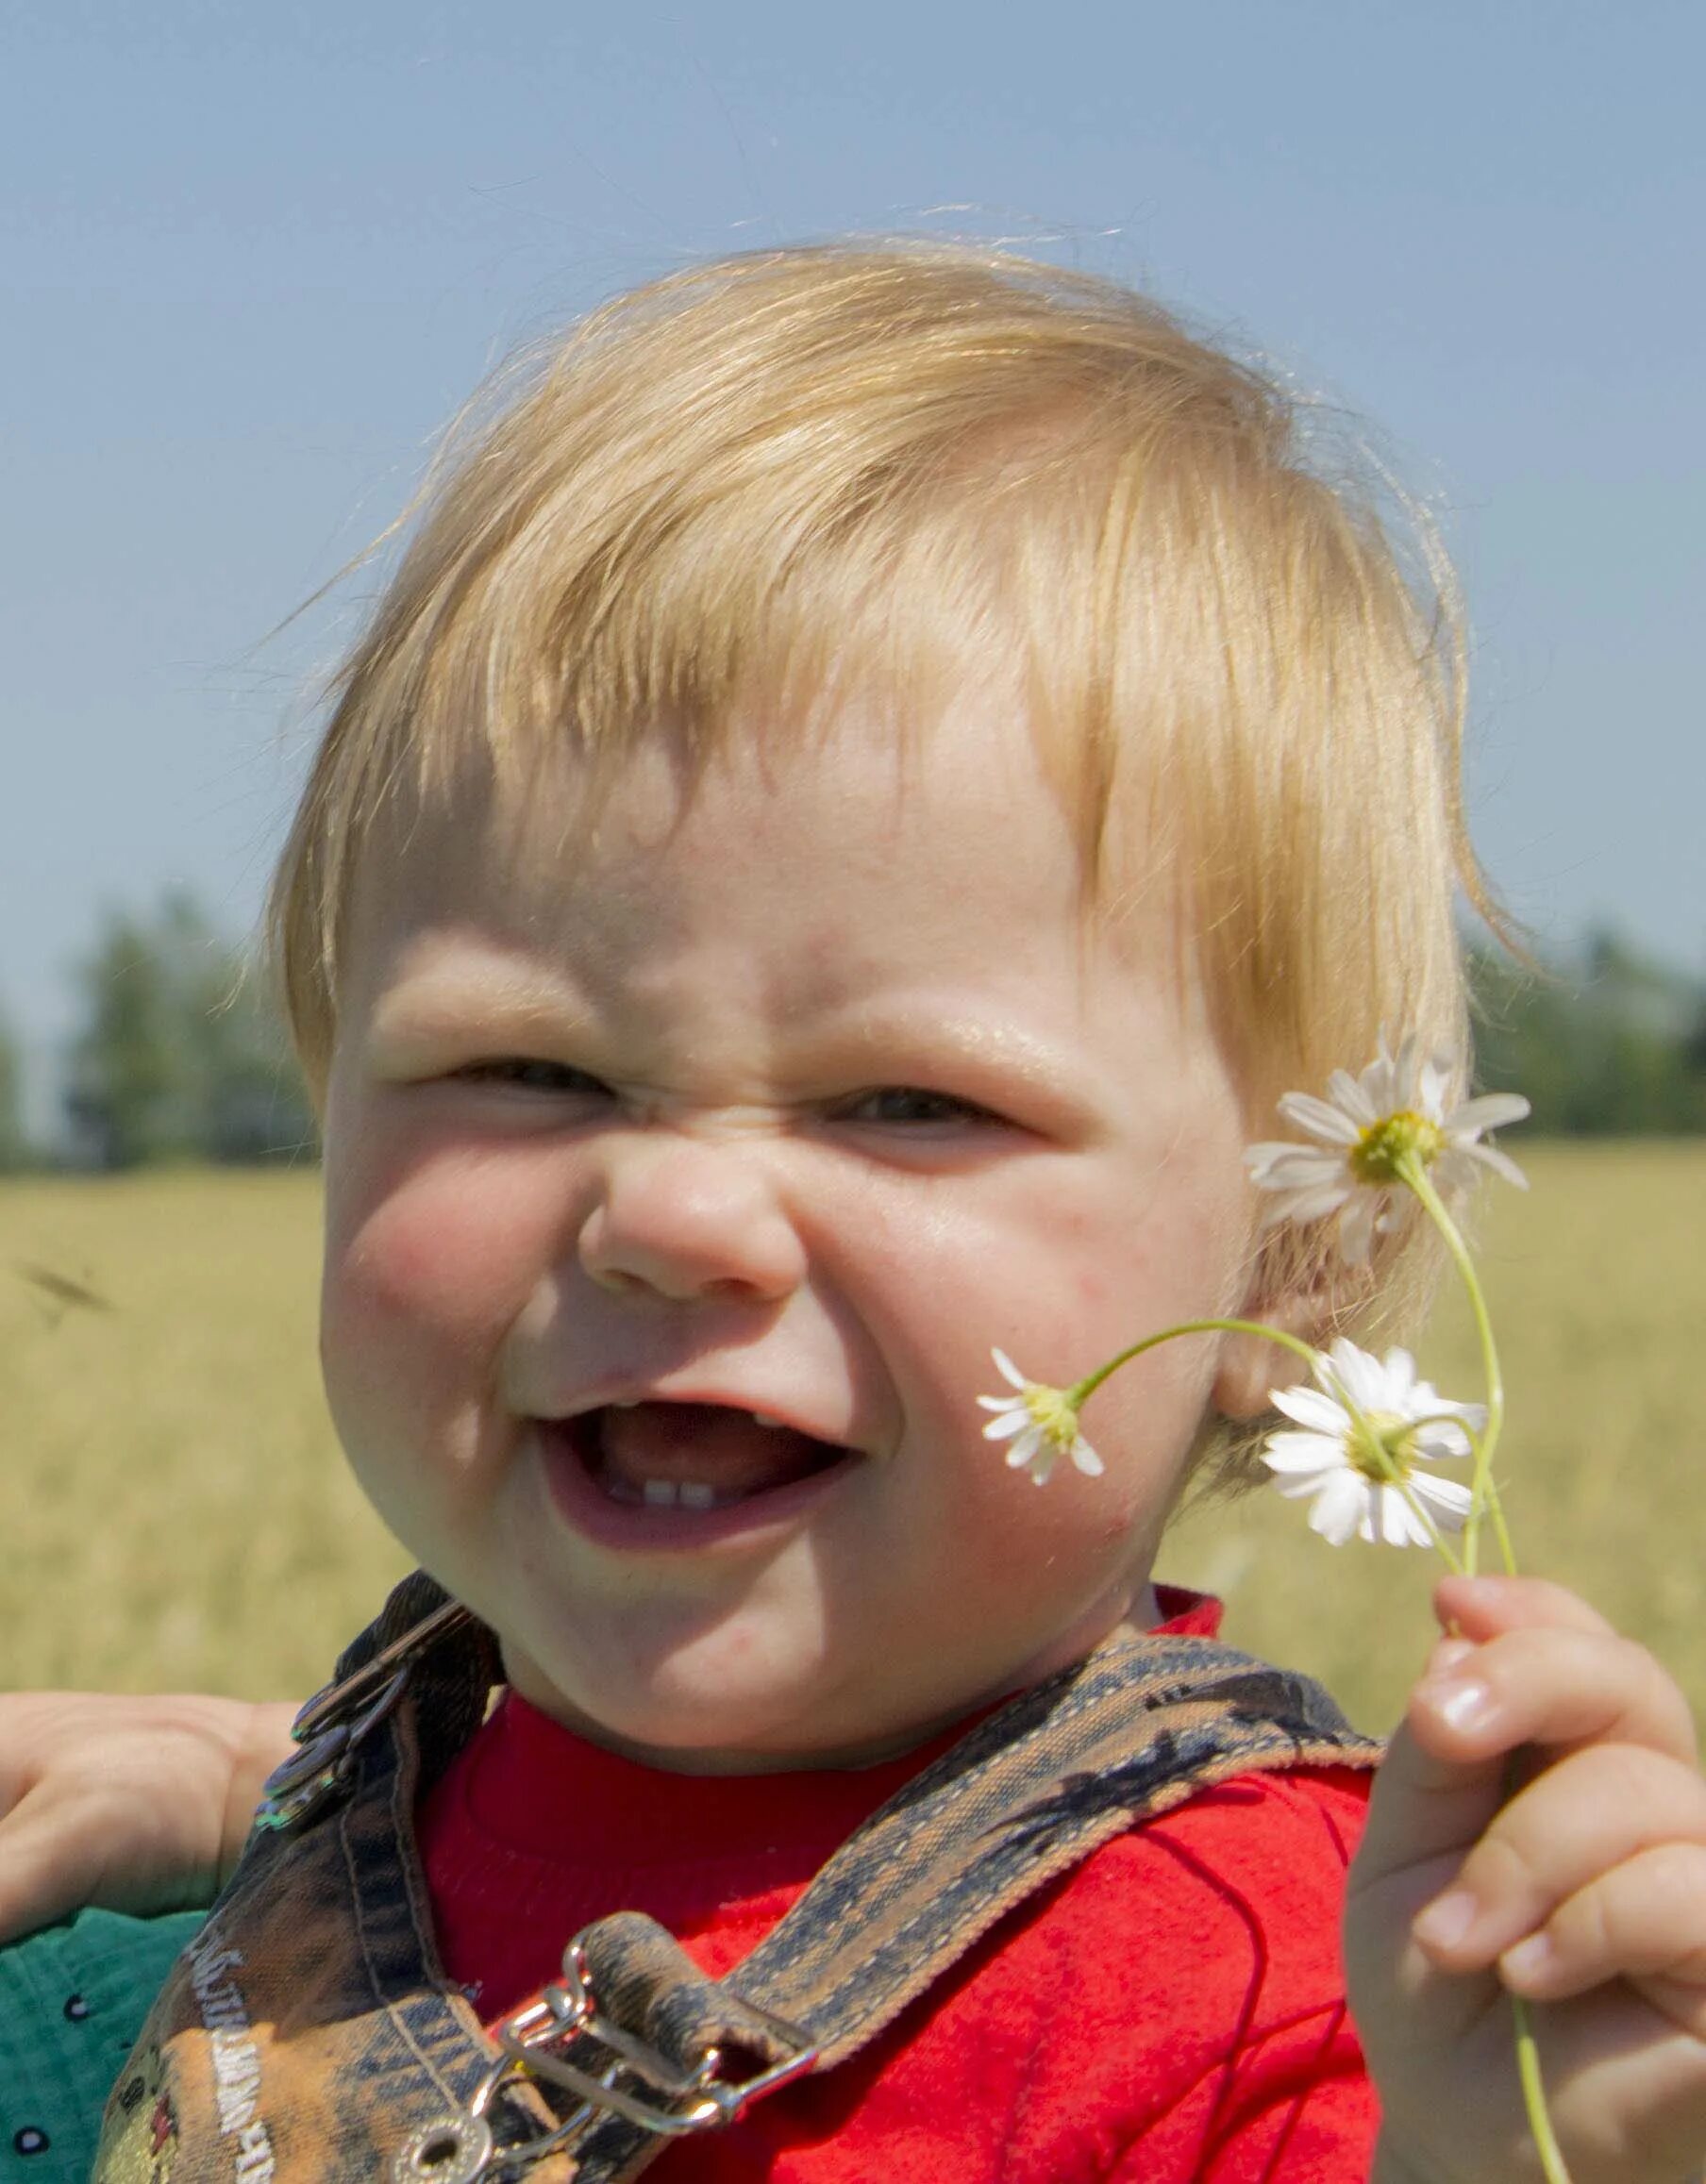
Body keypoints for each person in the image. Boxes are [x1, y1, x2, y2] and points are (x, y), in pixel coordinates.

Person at [4, 242, 1706, 2184]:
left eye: (911, 1104)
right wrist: (271, 1807)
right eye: (530, 1071)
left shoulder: (1301, 2007)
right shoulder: (312, 1851)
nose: (674, 1212)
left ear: (1302, 1261)